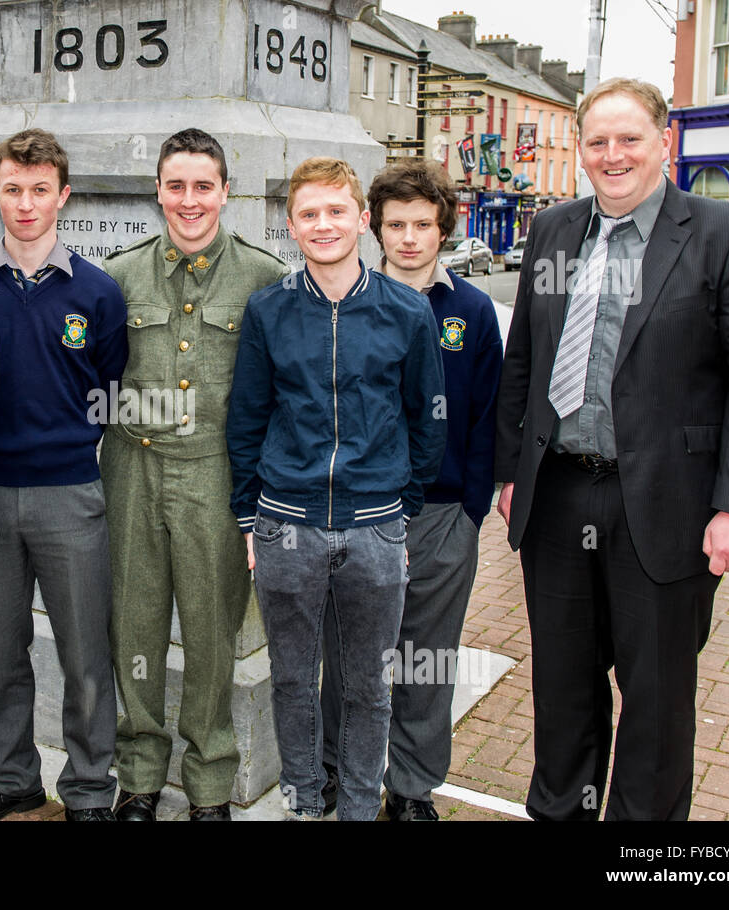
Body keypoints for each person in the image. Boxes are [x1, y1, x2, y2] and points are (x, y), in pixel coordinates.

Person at [495, 77, 729, 820]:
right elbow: (524, 364)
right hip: (558, 497)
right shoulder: (553, 230)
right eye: (597, 141)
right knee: (562, 687)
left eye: (629, 138)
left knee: (656, 702)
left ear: (665, 141)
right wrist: (510, 474)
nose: (612, 154)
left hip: (667, 504)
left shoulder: (726, 232)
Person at [226, 156, 445, 821]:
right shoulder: (269, 310)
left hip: (375, 525)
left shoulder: (407, 313)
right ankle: (304, 805)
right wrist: (248, 520)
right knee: (293, 680)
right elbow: (247, 417)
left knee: (367, 686)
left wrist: (397, 517)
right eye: (309, 214)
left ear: (362, 218)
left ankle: (355, 807)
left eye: (336, 211)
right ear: (291, 226)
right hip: (284, 522)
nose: (324, 225)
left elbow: (425, 419)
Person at [101, 128, 289, 821]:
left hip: (216, 475)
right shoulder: (118, 276)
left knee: (212, 635)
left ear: (225, 192)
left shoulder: (263, 277)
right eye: (175, 186)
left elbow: (280, 396)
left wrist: (264, 502)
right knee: (135, 628)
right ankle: (141, 778)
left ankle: (210, 786)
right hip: (133, 468)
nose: (189, 200)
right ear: (158, 191)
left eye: (202, 186)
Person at [317, 160, 501, 820]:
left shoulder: (472, 312)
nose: (410, 238)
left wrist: (474, 506)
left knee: (425, 656)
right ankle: (336, 766)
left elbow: (487, 416)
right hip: (357, 513)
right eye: (396, 224)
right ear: (375, 228)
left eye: (423, 224)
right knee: (348, 654)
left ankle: (415, 786)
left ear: (444, 228)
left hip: (444, 515)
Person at [0, 129, 127, 822]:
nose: (26, 204)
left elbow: (110, 387)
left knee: (86, 653)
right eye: (13, 189)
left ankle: (88, 789)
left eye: (39, 190)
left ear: (64, 195)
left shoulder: (97, 291)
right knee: (0, 652)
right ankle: (12, 778)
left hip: (70, 494)